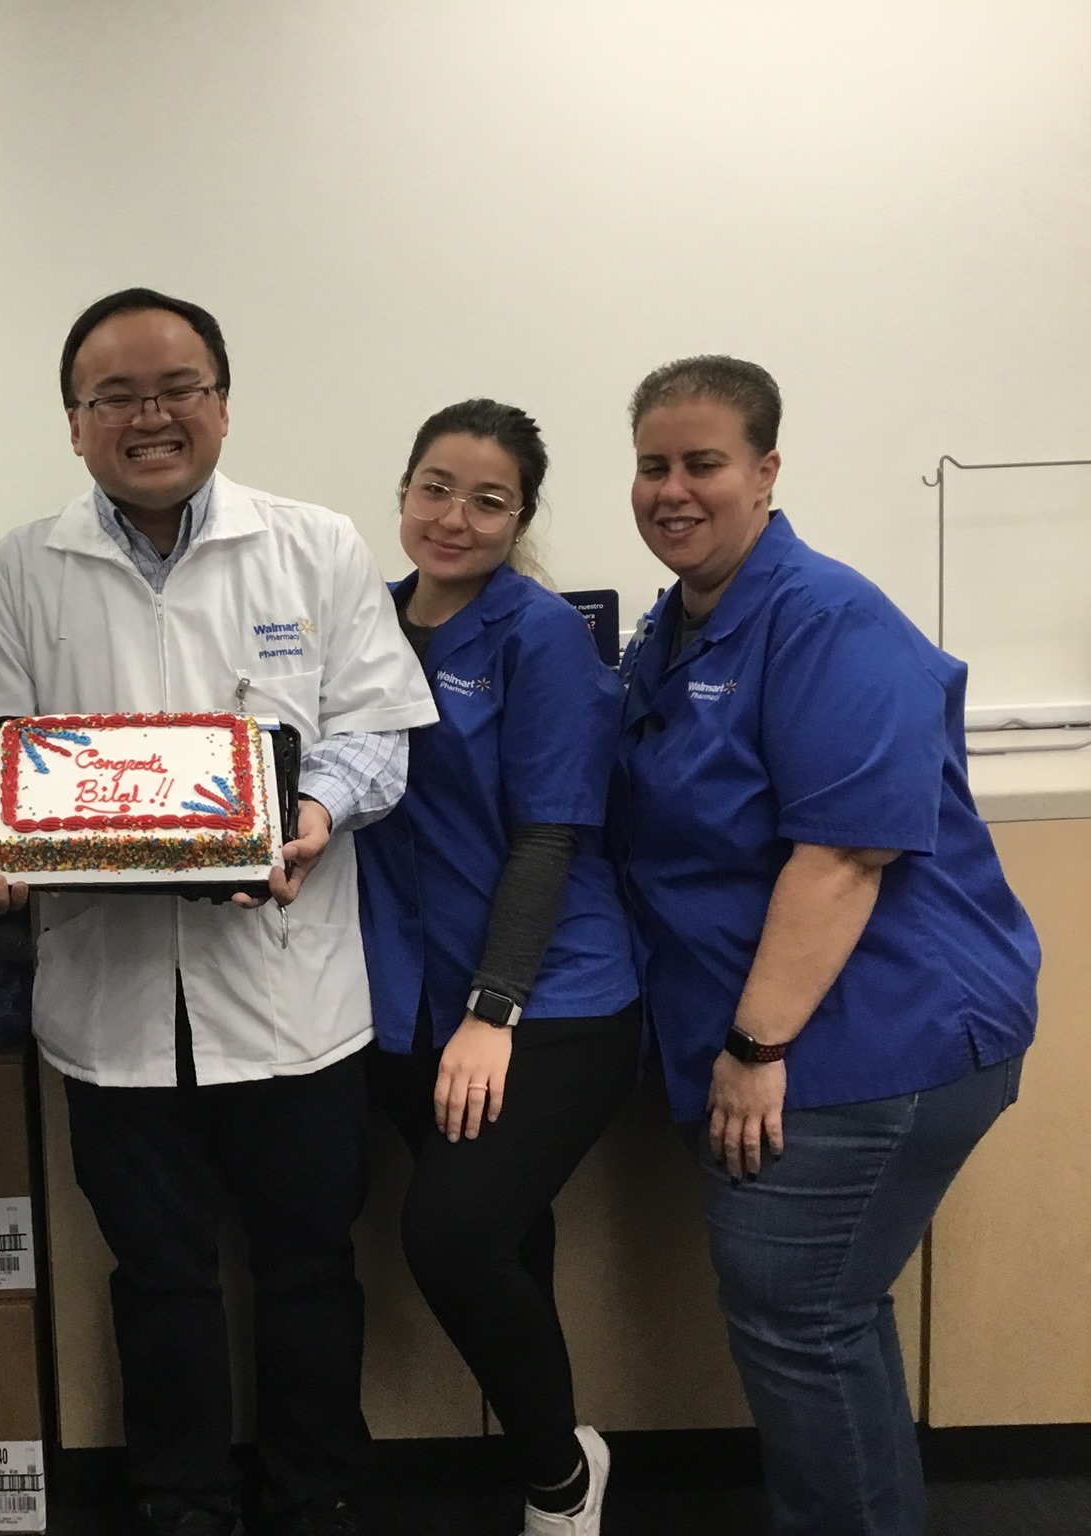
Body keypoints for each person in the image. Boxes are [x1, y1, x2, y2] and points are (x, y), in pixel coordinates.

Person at [0, 288, 434, 1536]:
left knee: (308, 1266)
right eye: (113, 395)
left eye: (175, 389)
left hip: (287, 989)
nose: (148, 416)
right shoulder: (20, 568)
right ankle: (180, 1499)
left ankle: (317, 1494)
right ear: (73, 423)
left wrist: (307, 815)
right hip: (109, 1003)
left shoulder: (314, 547)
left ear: (221, 403)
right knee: (156, 1275)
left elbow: (377, 734)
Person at [614, 355, 1039, 1536]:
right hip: (797, 1031)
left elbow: (843, 857)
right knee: (822, 1317)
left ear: (764, 471)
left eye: (702, 463)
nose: (671, 490)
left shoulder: (825, 617)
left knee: (798, 1318)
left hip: (868, 1037)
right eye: (651, 465)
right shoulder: (680, 622)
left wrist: (753, 1048)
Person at [354, 401, 638, 1536]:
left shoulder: (538, 635)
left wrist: (493, 1009)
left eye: (487, 500)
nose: (453, 517)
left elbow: (547, 835)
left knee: (451, 1235)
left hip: (547, 994)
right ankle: (555, 1455)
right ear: (403, 491)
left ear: (520, 518)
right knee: (505, 1232)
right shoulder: (365, 620)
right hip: (408, 993)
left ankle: (558, 1477)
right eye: (435, 487)